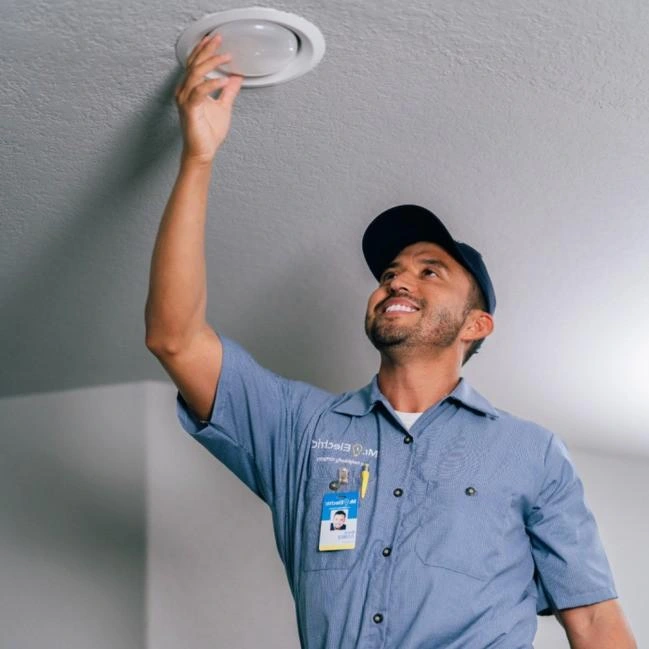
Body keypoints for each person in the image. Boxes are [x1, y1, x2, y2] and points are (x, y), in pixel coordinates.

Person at [145, 32, 637, 649]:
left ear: (475, 324)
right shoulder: (300, 429)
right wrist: (198, 157)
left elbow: (594, 620)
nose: (398, 277)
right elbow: (174, 338)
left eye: (430, 269)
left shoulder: (532, 455)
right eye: (389, 273)